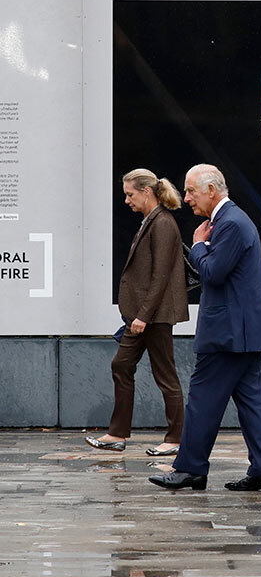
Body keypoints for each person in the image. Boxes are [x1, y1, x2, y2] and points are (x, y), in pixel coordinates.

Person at [148, 164, 261, 492]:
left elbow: (213, 273)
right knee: (251, 402)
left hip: (228, 333)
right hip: (242, 332)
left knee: (203, 400)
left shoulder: (230, 224)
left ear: (212, 190)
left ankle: (190, 468)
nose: (187, 197)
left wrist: (197, 246)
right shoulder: (232, 220)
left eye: (192, 190)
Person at [86, 169, 188, 456]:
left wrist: (143, 315)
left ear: (147, 191)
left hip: (152, 316)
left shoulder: (163, 223)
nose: (127, 200)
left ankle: (176, 439)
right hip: (142, 316)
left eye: (130, 194)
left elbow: (161, 276)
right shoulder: (152, 221)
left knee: (165, 374)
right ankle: (117, 434)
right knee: (121, 366)